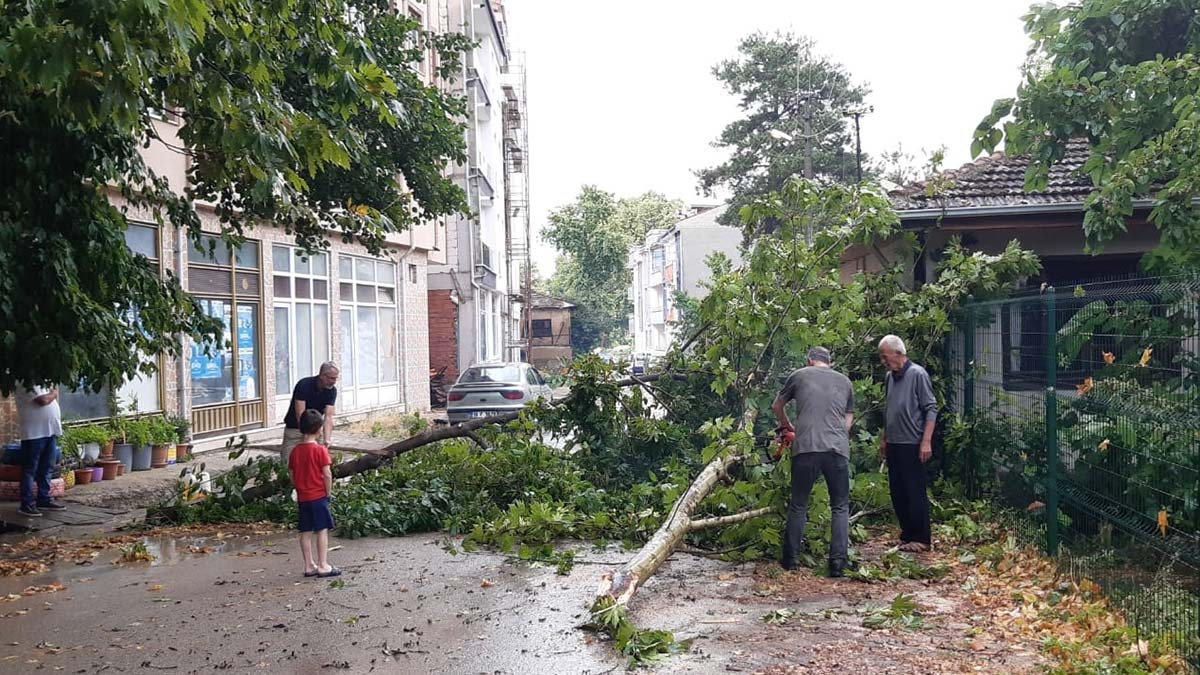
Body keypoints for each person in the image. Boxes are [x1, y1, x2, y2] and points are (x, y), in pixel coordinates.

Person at [771, 347, 855, 577]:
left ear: (809, 360)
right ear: (830, 362)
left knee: (799, 504)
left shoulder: (799, 375)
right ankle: (837, 564)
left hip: (806, 447)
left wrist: (788, 426)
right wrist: (839, 432)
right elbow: (849, 416)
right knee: (840, 506)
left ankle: (791, 561)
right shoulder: (845, 381)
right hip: (837, 449)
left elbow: (776, 406)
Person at [878, 334, 938, 553]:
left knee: (914, 491)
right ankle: (907, 534)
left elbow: (931, 408)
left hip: (912, 442)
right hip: (894, 442)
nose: (884, 361)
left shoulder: (917, 374)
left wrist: (926, 441)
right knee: (898, 491)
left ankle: (922, 537)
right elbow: (889, 409)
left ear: (898, 353)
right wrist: (885, 439)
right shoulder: (889, 378)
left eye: (885, 356)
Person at [288, 408, 339, 578]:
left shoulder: (295, 451)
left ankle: (308, 565)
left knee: (305, 532)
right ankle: (323, 565)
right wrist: (328, 492)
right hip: (318, 496)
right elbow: (327, 474)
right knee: (322, 530)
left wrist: (299, 488)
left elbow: (292, 475)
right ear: (319, 430)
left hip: (303, 497)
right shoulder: (320, 451)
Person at [15, 384, 66, 517]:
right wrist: (54, 393)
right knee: (30, 470)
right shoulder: (24, 382)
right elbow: (43, 400)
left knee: (47, 467)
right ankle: (26, 504)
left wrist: (51, 393)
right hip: (33, 434)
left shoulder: (42, 382)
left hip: (49, 432)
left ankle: (43, 498)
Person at [281, 362, 339, 465]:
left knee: (318, 463)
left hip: (315, 429)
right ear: (322, 376)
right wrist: (306, 436)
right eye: (332, 378)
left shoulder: (332, 391)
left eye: (335, 378)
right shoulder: (304, 385)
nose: (334, 381)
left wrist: (327, 439)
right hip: (295, 429)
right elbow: (300, 414)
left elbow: (328, 417)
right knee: (288, 463)